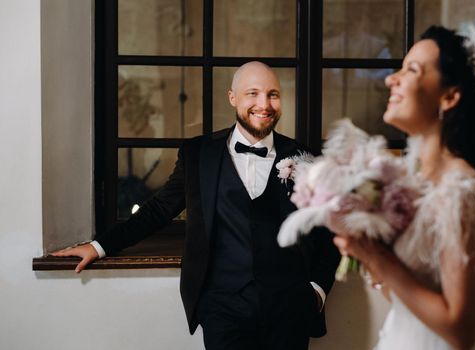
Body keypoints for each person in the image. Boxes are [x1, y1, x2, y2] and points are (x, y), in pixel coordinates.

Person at [52, 61, 340, 350]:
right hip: (222, 308)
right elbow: (158, 210)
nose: (264, 104)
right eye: (252, 93)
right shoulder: (198, 154)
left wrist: (317, 290)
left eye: (273, 94)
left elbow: (329, 230)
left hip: (290, 309)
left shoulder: (305, 156)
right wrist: (99, 246)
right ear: (232, 97)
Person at [328, 26, 475, 350]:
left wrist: (380, 257)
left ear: (450, 96)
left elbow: (462, 331)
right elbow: (408, 299)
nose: (391, 79)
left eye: (411, 70)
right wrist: (370, 259)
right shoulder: (415, 183)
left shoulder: (461, 191)